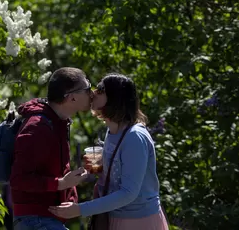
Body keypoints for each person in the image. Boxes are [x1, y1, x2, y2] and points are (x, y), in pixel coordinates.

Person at [48, 73, 169, 230]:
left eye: (100, 89)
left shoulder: (134, 137)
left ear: (114, 97)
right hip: (115, 218)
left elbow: (128, 193)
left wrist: (80, 209)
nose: (93, 92)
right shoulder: (112, 131)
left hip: (139, 221)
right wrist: (104, 167)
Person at [10, 67, 93, 230]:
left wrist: (70, 189)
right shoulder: (38, 127)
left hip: (46, 219)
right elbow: (18, 180)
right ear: (72, 97)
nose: (92, 93)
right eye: (87, 88)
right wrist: (60, 184)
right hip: (34, 221)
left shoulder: (59, 122)